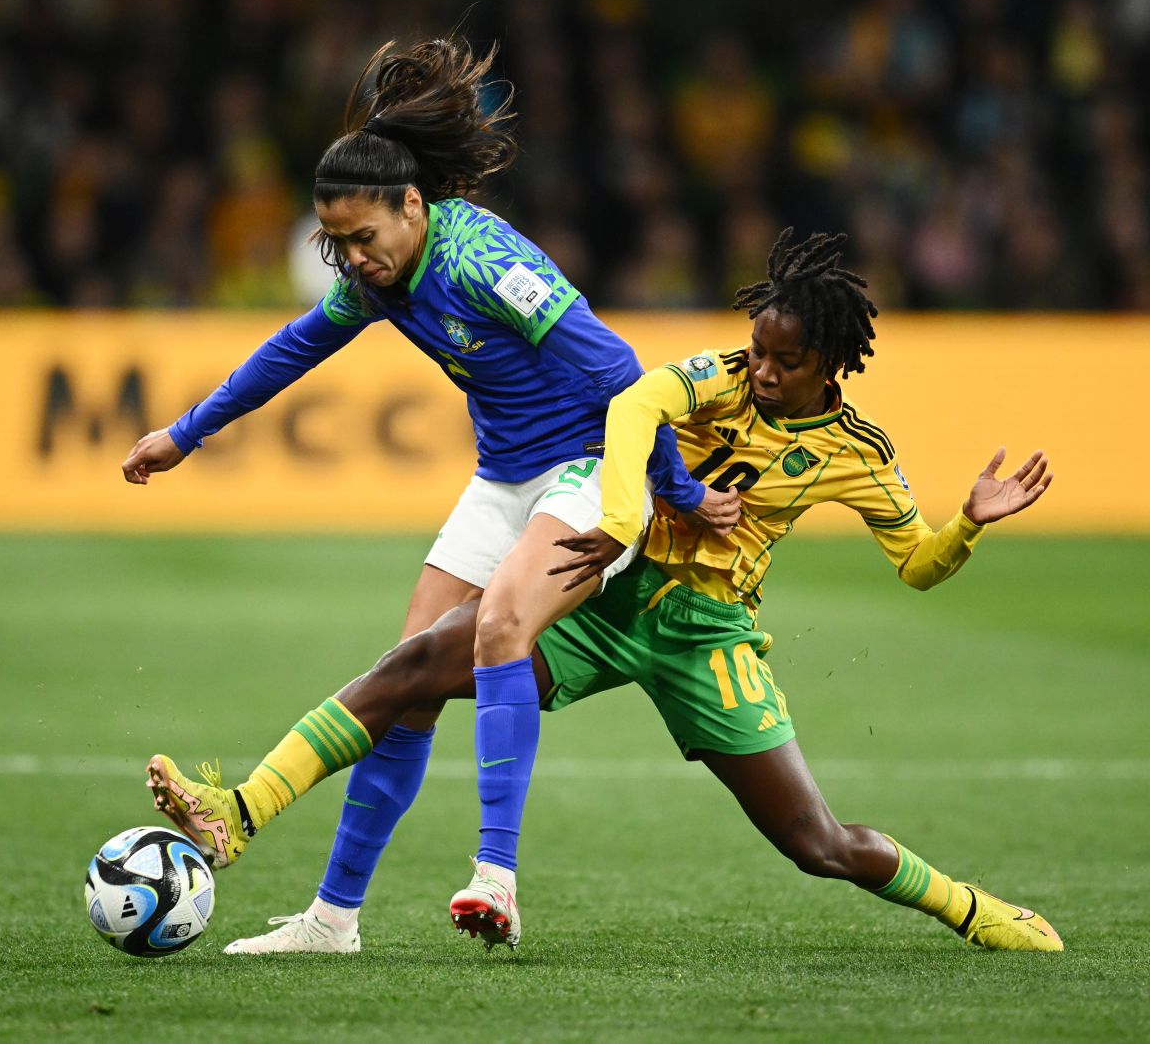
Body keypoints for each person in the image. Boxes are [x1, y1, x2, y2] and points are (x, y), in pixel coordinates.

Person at [145, 229, 1062, 955]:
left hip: (709, 636)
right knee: (417, 664)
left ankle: (971, 906)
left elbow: (919, 563)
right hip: (607, 590)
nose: (763, 371)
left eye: (784, 361)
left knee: (816, 843)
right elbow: (634, 403)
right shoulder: (720, 378)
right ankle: (242, 812)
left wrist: (970, 522)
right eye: (758, 350)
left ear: (830, 364)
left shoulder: (858, 453)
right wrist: (624, 515)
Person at [122, 34, 737, 953]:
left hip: (586, 471)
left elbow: (619, 369)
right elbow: (290, 348)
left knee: (497, 630)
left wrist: (671, 488)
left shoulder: (483, 262)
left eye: (364, 238)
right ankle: (332, 919)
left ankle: (497, 878)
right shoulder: (379, 279)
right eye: (335, 243)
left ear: (413, 206)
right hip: (503, 478)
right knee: (409, 678)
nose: (354, 260)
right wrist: (186, 432)